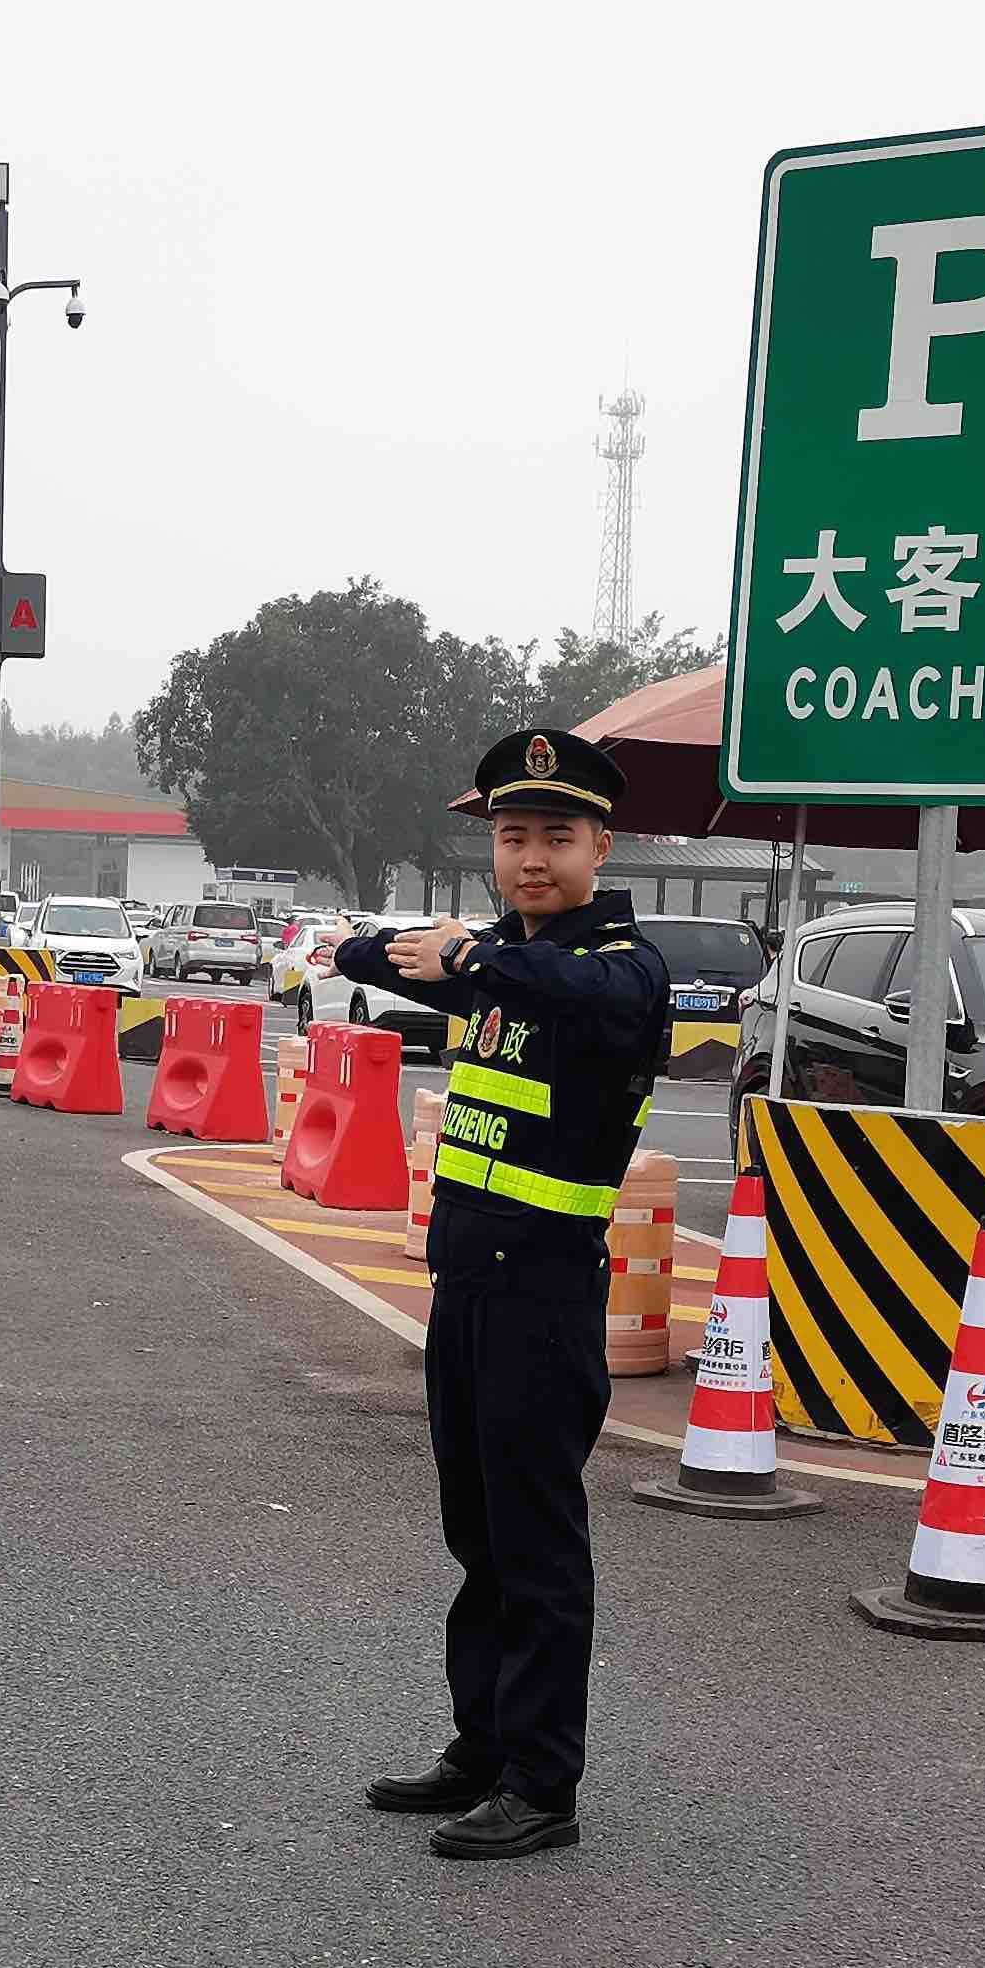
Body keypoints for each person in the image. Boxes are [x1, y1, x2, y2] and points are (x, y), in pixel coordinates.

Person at [332, 727, 669, 1862]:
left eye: (555, 837)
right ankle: (480, 1744)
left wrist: (464, 959)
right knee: (473, 1531)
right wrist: (368, 946)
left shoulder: (617, 967)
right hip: (465, 1288)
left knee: (533, 1542)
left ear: (599, 845)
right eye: (513, 836)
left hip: (541, 1295)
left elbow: (570, 985)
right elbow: (381, 958)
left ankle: (541, 1782)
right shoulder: (498, 960)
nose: (531, 857)